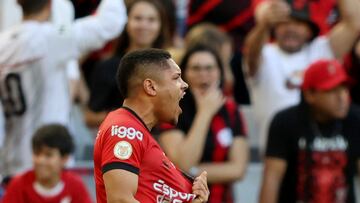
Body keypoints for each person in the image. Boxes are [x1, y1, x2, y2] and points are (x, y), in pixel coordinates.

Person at [0, 0, 126, 176]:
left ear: (17, 3)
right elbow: (110, 23)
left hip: (11, 162)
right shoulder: (53, 36)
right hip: (49, 162)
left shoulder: (3, 42)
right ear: (50, 5)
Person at [93, 48, 209, 203]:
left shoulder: (138, 134)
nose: (185, 85)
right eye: (176, 78)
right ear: (151, 87)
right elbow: (120, 200)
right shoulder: (125, 130)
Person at [244, 0, 360, 153]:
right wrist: (264, 25)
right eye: (284, 23)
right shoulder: (265, 54)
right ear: (275, 29)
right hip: (277, 153)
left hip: (320, 152)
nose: (291, 28)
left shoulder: (321, 49)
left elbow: (354, 24)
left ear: (309, 31)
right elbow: (251, 54)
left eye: (298, 23)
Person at [259, 59, 360, 203]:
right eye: (332, 90)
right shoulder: (286, 121)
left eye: (344, 88)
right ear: (309, 95)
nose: (342, 97)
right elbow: (272, 179)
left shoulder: (355, 119)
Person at [157, 45, 248, 203]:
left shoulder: (232, 110)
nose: (203, 74)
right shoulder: (171, 111)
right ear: (183, 74)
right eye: (196, 68)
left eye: (209, 68)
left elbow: (238, 169)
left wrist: (193, 171)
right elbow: (183, 162)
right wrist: (204, 113)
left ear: (219, 72)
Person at [85, 0, 172, 128]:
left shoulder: (171, 67)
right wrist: (130, 115)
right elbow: (89, 117)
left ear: (161, 26)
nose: (144, 25)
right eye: (138, 18)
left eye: (151, 20)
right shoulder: (107, 67)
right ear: (126, 23)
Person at [2, 124, 92, 203]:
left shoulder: (75, 186)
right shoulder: (18, 185)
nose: (40, 161)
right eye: (37, 153)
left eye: (48, 155)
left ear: (64, 159)